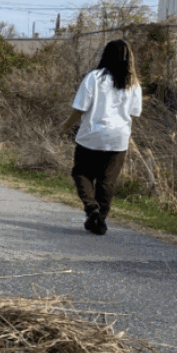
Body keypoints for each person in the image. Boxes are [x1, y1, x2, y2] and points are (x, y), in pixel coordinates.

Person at [60, 39, 142, 236]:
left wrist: (65, 126)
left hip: (91, 135)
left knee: (81, 173)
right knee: (107, 181)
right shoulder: (133, 83)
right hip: (118, 138)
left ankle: (91, 208)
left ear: (105, 54)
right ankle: (100, 221)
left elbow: (80, 108)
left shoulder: (94, 78)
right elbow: (135, 112)